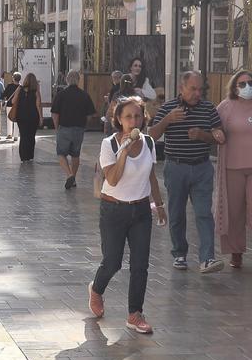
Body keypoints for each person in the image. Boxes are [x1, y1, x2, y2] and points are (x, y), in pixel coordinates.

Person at [88, 95, 167, 335]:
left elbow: (151, 176)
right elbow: (112, 178)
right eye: (128, 117)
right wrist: (123, 150)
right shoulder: (109, 144)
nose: (134, 121)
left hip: (141, 210)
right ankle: (96, 289)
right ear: (119, 120)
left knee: (140, 264)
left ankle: (135, 313)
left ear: (144, 117)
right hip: (113, 209)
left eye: (137, 116)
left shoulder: (150, 143)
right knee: (113, 262)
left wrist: (160, 205)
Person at [150, 70, 226, 274]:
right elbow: (151, 136)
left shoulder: (208, 108)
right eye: (193, 89)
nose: (197, 93)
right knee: (176, 213)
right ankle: (179, 254)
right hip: (176, 167)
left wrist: (204, 135)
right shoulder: (168, 108)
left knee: (204, 213)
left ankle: (207, 258)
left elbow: (219, 136)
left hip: (201, 167)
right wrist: (167, 120)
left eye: (200, 89)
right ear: (181, 89)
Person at [215, 67, 252, 270]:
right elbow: (214, 126)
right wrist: (217, 133)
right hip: (233, 167)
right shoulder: (226, 106)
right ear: (235, 87)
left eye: (251, 83)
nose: (248, 87)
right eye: (243, 84)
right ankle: (236, 252)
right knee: (235, 211)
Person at [51, 69, 96, 189]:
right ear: (79, 80)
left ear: (67, 79)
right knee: (76, 155)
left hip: (64, 128)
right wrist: (84, 123)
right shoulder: (84, 95)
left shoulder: (61, 94)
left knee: (61, 153)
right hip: (79, 129)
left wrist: (57, 128)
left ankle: (69, 174)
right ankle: (74, 179)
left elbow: (55, 114)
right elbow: (91, 114)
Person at [10, 72, 42, 162]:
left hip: (21, 116)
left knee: (23, 136)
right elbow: (38, 105)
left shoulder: (19, 89)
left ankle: (23, 157)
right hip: (33, 117)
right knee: (31, 136)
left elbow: (12, 101)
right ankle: (30, 156)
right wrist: (41, 117)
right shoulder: (36, 91)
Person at [3, 71, 21, 142]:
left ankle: (9, 134)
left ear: (13, 78)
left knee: (9, 119)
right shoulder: (21, 87)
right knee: (16, 120)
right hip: (18, 106)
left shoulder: (9, 86)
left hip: (10, 105)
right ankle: (16, 136)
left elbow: (4, 94)